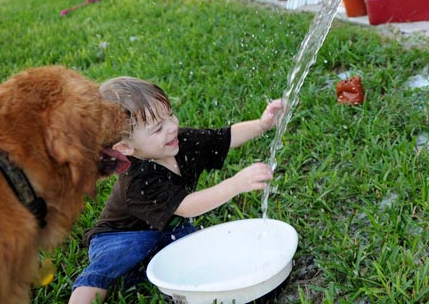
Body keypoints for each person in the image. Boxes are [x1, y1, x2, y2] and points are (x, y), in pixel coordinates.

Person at [68, 76, 282, 304]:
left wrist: (262, 124)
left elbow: (224, 137)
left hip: (166, 228)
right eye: (158, 128)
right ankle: (83, 296)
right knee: (115, 260)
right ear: (126, 147)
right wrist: (235, 184)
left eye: (169, 114)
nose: (172, 126)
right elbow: (188, 207)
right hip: (121, 235)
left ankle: (139, 273)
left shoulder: (180, 140)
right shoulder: (138, 181)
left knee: (198, 250)